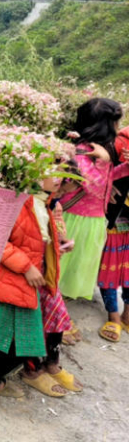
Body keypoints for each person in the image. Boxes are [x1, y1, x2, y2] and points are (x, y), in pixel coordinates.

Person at [0, 176, 82, 406]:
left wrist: (57, 249)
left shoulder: (43, 203)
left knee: (0, 338)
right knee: (20, 344)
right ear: (33, 173)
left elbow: (37, 242)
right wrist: (26, 267)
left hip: (27, 283)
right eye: (52, 173)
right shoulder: (18, 202)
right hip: (13, 279)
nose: (60, 179)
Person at [58, 100, 129, 326]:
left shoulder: (99, 151)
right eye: (116, 123)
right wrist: (105, 161)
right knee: (59, 274)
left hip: (92, 222)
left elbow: (108, 179)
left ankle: (58, 317)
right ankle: (55, 322)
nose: (119, 129)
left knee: (71, 273)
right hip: (75, 222)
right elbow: (93, 184)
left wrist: (125, 166)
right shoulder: (83, 151)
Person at [96, 125, 129, 342]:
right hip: (117, 217)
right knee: (110, 265)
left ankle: (127, 314)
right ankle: (114, 316)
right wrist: (109, 185)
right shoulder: (122, 139)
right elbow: (102, 167)